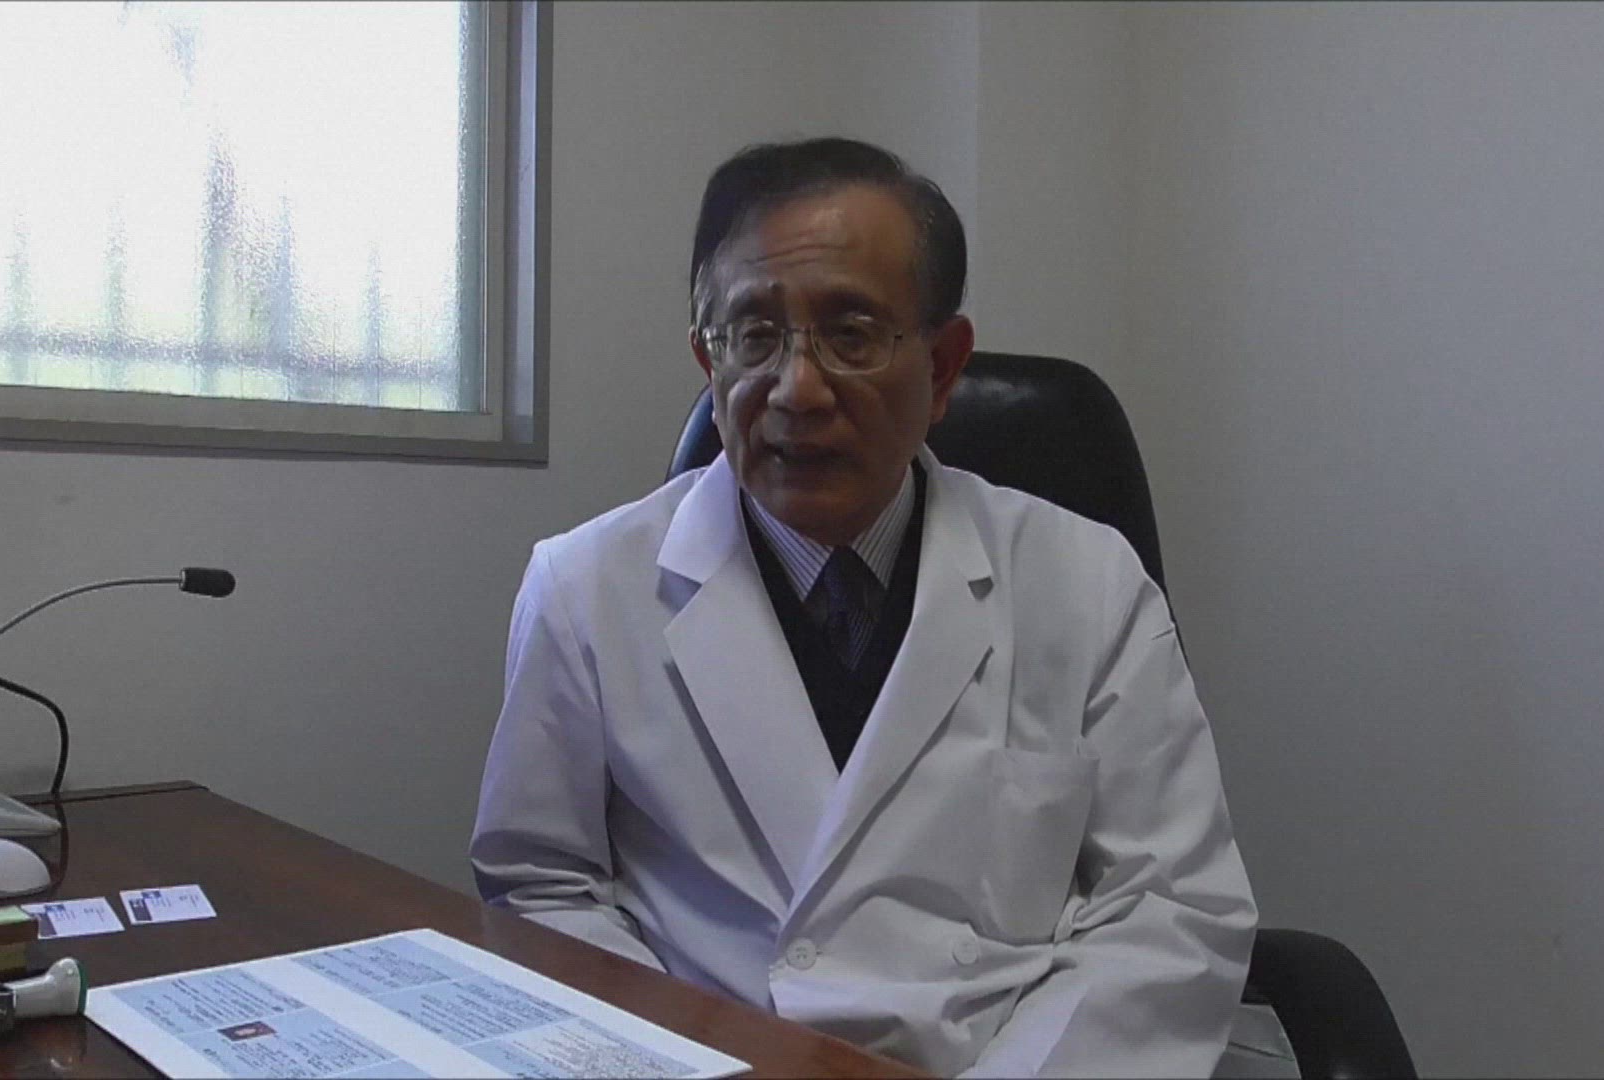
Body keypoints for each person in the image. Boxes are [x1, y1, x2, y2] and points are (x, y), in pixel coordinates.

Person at [470, 137, 1256, 1078]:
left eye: (851, 334)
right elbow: (541, 887)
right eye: (753, 336)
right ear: (707, 362)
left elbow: (1171, 910)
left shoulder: (1088, 583)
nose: (797, 390)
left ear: (943, 367)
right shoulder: (584, 588)